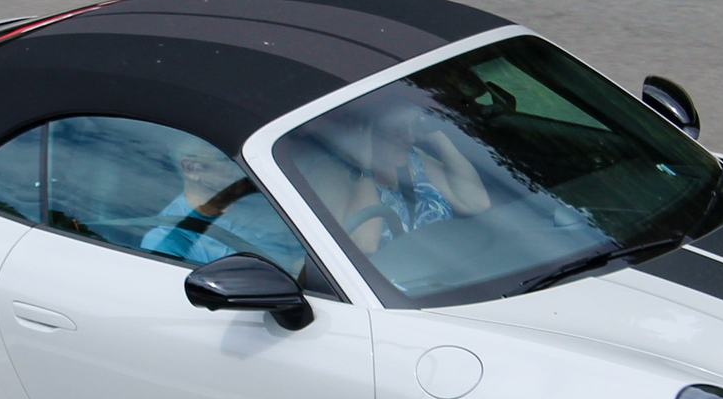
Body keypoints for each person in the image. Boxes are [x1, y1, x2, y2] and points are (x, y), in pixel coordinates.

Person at [343, 100, 489, 255]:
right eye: (398, 130)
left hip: (450, 268)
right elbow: (364, 244)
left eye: (413, 127)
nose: (410, 139)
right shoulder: (337, 174)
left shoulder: (414, 160)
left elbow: (477, 203)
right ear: (366, 132)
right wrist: (363, 167)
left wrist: (436, 137)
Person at [139, 137, 307, 271]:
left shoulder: (263, 201)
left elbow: (304, 260)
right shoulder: (170, 241)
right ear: (191, 168)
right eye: (226, 159)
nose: (240, 165)